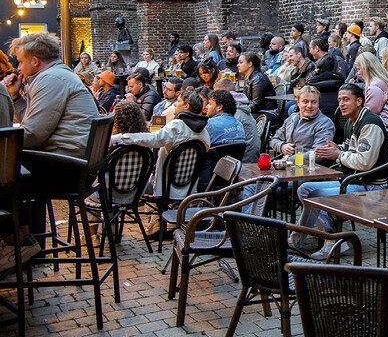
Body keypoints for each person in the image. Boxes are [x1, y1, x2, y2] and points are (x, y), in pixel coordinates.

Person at [294, 84, 388, 259]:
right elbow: (351, 147)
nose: (341, 104)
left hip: (372, 187)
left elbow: (364, 162)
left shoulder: (370, 123)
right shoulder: (351, 121)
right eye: (339, 100)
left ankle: (332, 240)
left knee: (316, 195)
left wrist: (338, 154)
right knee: (304, 189)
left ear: (359, 101)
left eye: (346, 99)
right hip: (354, 180)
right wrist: (338, 148)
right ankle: (301, 239)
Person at [111, 91, 210, 233]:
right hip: (188, 186)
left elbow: (153, 140)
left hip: (166, 186)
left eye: (179, 102)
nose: (175, 104)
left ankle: (155, 225)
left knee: (143, 179)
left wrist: (120, 138)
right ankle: (157, 224)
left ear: (187, 106)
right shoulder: (203, 131)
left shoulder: (177, 126)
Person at [5, 33, 100, 159]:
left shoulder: (50, 79)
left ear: (34, 61)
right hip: (70, 157)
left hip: (63, 163)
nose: (19, 68)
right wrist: (15, 96)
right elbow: (34, 124)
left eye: (21, 62)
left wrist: (3, 141)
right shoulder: (57, 74)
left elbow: (32, 135)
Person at [269, 86, 334, 161]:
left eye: (314, 102)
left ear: (318, 104)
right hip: (288, 166)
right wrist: (282, 146)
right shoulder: (292, 118)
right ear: (298, 103)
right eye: (305, 101)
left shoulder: (325, 123)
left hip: (312, 169)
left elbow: (319, 154)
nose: (309, 106)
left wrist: (288, 160)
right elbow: (274, 140)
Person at [213, 78, 260, 163]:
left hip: (245, 161)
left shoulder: (234, 114)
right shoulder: (240, 107)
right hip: (250, 157)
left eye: (217, 94)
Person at [354, 52, 388, 129]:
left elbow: (370, 113)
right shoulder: (382, 80)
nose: (358, 73)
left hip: (387, 123)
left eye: (359, 69)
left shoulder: (375, 87)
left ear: (366, 68)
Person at [237, 53, 278, 120]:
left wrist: (240, 109)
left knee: (238, 118)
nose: (237, 65)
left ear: (250, 64)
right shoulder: (248, 77)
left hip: (266, 113)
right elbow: (245, 98)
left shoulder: (258, 79)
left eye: (240, 62)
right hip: (257, 111)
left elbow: (256, 105)